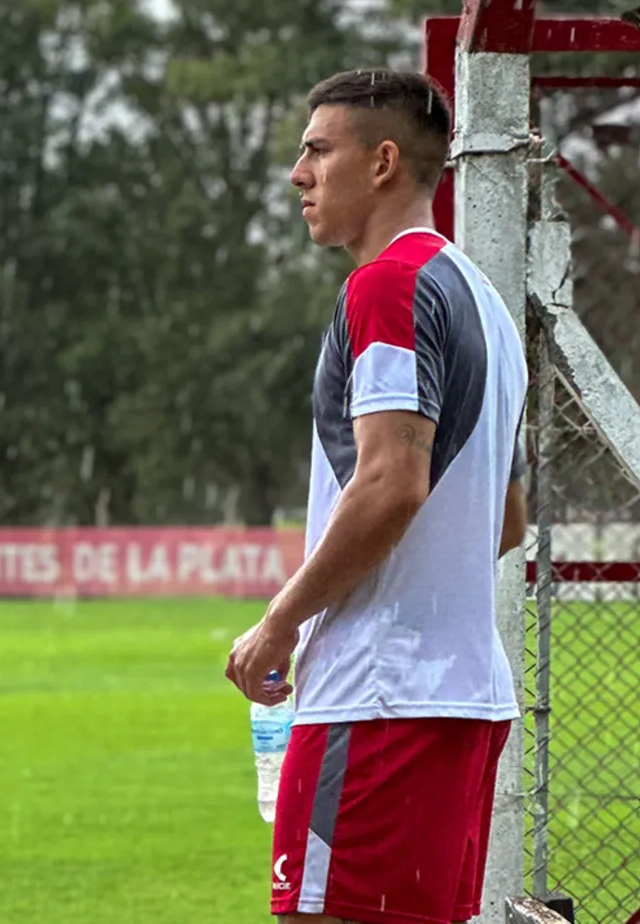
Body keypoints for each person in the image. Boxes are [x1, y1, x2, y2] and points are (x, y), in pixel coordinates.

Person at [226, 69, 530, 924]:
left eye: (318, 151)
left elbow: (392, 482)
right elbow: (507, 519)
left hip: (380, 700)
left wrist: (282, 621)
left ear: (384, 162)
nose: (299, 174)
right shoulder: (487, 306)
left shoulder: (388, 285)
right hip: (464, 700)